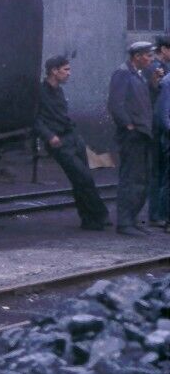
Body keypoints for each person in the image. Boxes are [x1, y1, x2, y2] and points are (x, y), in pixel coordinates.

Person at [36, 55, 110, 230]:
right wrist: (49, 136)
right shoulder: (39, 92)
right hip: (58, 141)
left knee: (82, 178)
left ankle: (90, 219)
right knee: (82, 177)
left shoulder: (59, 91)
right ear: (54, 71)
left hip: (73, 137)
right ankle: (98, 214)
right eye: (66, 69)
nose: (69, 73)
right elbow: (34, 119)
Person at [107, 41, 155, 235]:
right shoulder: (123, 74)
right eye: (148, 56)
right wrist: (128, 125)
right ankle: (125, 223)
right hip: (132, 135)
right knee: (131, 178)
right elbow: (115, 104)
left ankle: (131, 220)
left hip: (142, 133)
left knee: (140, 178)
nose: (151, 59)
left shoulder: (139, 75)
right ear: (137, 56)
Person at [152, 36, 170, 229]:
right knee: (164, 176)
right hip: (163, 132)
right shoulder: (164, 77)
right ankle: (162, 215)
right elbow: (162, 111)